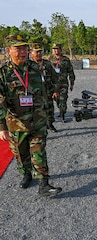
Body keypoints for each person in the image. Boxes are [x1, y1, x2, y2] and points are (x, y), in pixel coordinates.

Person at [0, 34, 62, 196]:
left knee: (39, 150)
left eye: (25, 48)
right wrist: (2, 127)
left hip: (38, 120)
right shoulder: (3, 73)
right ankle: (26, 174)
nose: (23, 51)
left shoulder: (35, 69)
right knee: (21, 152)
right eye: (18, 48)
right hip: (16, 123)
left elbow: (43, 93)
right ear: (8, 50)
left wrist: (48, 116)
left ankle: (44, 183)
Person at [29, 43, 59, 132]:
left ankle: (50, 124)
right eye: (36, 52)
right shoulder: (28, 65)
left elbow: (55, 78)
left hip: (47, 91)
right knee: (35, 110)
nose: (39, 54)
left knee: (49, 108)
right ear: (31, 53)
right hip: (34, 93)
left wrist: (55, 91)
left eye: (40, 52)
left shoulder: (47, 63)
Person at [49, 43, 75, 122]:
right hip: (53, 84)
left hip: (63, 83)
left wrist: (72, 83)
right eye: (53, 49)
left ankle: (62, 114)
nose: (55, 50)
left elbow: (70, 71)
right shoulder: (50, 59)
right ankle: (60, 110)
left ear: (60, 50)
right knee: (56, 99)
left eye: (56, 49)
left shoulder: (65, 59)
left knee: (63, 99)